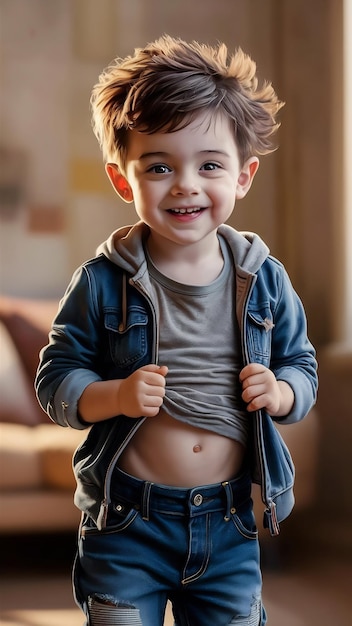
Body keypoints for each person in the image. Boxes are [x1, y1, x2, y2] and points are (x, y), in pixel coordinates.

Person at [35, 35, 318, 626]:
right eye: (159, 166)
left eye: (209, 165)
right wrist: (114, 394)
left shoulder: (264, 281)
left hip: (230, 522)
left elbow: (302, 365)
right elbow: (56, 378)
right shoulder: (102, 282)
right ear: (123, 181)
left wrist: (284, 391)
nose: (185, 184)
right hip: (127, 524)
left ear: (243, 176)